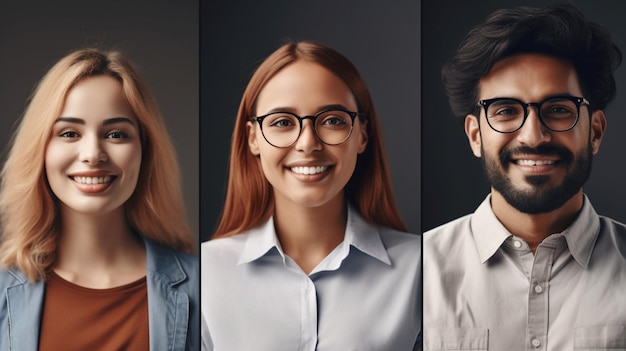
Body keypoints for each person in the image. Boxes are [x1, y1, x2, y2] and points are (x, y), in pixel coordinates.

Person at [423, 4, 626, 350]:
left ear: (595, 131)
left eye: (559, 110)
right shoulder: (416, 274)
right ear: (475, 136)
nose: (533, 137)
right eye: (505, 111)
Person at [201, 41, 421, 350]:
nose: (307, 143)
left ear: (362, 135)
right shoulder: (204, 272)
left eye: (332, 120)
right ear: (253, 138)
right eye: (282, 122)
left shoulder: (421, 268)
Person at [0, 49, 199, 350]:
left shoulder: (203, 287)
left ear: (145, 152)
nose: (93, 153)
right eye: (69, 133)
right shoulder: (3, 291)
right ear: (40, 149)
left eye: (116, 134)